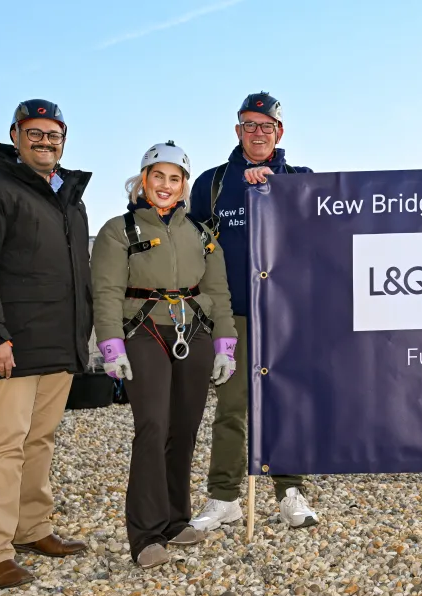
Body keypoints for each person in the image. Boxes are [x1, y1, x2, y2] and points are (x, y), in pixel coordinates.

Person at [0, 99, 93, 588]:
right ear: (15, 135)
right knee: (2, 446)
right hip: (9, 346)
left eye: (53, 134)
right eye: (35, 133)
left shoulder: (68, 197)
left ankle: (33, 528)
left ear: (63, 138)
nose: (45, 141)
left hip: (57, 345)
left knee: (39, 441)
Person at [90, 141, 237, 568]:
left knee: (185, 427)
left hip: (194, 331)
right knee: (152, 425)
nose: (165, 186)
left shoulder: (201, 234)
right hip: (143, 330)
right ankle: (146, 534)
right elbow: (106, 291)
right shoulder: (121, 230)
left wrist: (225, 344)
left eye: (175, 179)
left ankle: (175, 519)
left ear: (184, 186)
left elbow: (218, 293)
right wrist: (110, 344)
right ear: (143, 180)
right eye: (158, 176)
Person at [187, 91, 319, 531]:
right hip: (234, 315)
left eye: (266, 126)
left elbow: (318, 233)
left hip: (283, 314)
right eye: (249, 124)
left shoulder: (301, 178)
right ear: (237, 129)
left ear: (279, 132)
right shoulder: (212, 182)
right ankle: (224, 496)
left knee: (284, 404)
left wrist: (275, 191)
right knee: (232, 408)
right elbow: (192, 244)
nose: (257, 132)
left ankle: (289, 492)